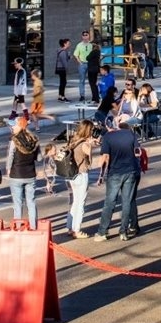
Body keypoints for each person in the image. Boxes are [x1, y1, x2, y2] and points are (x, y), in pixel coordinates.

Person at [95, 114, 142, 242]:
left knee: (110, 201)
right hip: (130, 170)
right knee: (127, 202)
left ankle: (102, 231)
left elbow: (104, 158)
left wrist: (100, 175)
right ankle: (123, 231)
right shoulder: (131, 134)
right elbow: (138, 152)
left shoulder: (108, 137)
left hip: (115, 172)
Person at [65, 119, 99, 239]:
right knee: (81, 203)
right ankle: (77, 229)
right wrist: (90, 147)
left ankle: (70, 226)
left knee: (75, 201)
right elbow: (89, 163)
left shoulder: (74, 140)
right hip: (82, 174)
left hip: (72, 174)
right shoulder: (85, 145)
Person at [6, 116, 40, 230]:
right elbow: (39, 158)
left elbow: (10, 156)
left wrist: (8, 168)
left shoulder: (14, 141)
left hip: (16, 174)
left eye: (15, 125)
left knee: (17, 203)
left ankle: (18, 227)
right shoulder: (34, 139)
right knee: (31, 202)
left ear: (20, 126)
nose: (13, 127)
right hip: (30, 174)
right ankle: (34, 227)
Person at [74, 30, 98, 104]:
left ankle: (95, 95)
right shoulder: (79, 45)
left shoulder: (91, 45)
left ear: (88, 36)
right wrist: (80, 62)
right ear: (82, 36)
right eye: (84, 35)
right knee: (82, 80)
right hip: (83, 64)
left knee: (92, 81)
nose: (85, 36)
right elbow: (75, 54)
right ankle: (82, 95)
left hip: (90, 64)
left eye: (86, 35)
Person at [54, 38, 73, 103]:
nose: (69, 45)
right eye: (68, 43)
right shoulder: (63, 52)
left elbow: (64, 59)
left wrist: (68, 56)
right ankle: (62, 97)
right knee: (63, 83)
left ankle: (60, 96)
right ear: (64, 44)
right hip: (62, 69)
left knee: (62, 82)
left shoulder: (62, 51)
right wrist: (67, 70)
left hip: (60, 68)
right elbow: (64, 62)